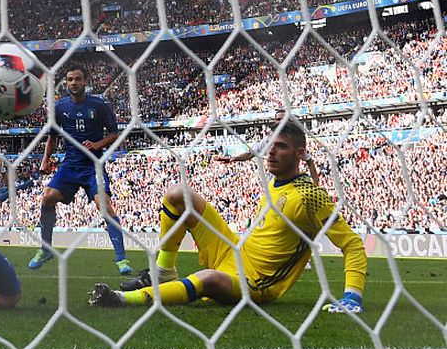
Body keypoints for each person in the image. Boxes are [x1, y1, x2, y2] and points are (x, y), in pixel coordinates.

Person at [91, 120, 367, 312]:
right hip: (234, 251)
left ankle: (123, 300)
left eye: (280, 146)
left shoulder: (310, 197)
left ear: (299, 153)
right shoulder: (275, 182)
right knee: (179, 194)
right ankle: (163, 273)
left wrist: (352, 296)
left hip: (256, 283)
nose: (270, 152)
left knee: (208, 279)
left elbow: (352, 244)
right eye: (269, 145)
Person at [31, 62, 133, 275]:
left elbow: (114, 133)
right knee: (47, 197)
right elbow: (53, 136)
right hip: (70, 164)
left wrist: (97, 145)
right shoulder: (60, 107)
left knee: (105, 206)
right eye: (69, 79)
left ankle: (121, 259)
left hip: (92, 165)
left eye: (77, 79)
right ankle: (45, 249)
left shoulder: (99, 105)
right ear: (65, 83)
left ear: (86, 81)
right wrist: (45, 160)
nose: (73, 83)